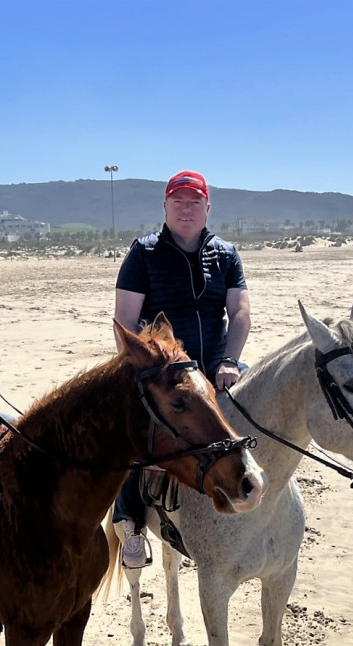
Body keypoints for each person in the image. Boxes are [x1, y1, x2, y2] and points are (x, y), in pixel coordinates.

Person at [112, 170, 251, 568]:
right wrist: (147, 372)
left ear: (207, 208)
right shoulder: (143, 253)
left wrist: (228, 359)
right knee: (131, 437)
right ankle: (132, 523)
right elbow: (125, 320)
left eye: (194, 202)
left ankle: (257, 489)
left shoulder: (225, 254)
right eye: (179, 201)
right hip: (162, 375)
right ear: (166, 207)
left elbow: (240, 312)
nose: (186, 209)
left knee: (261, 406)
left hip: (216, 367)